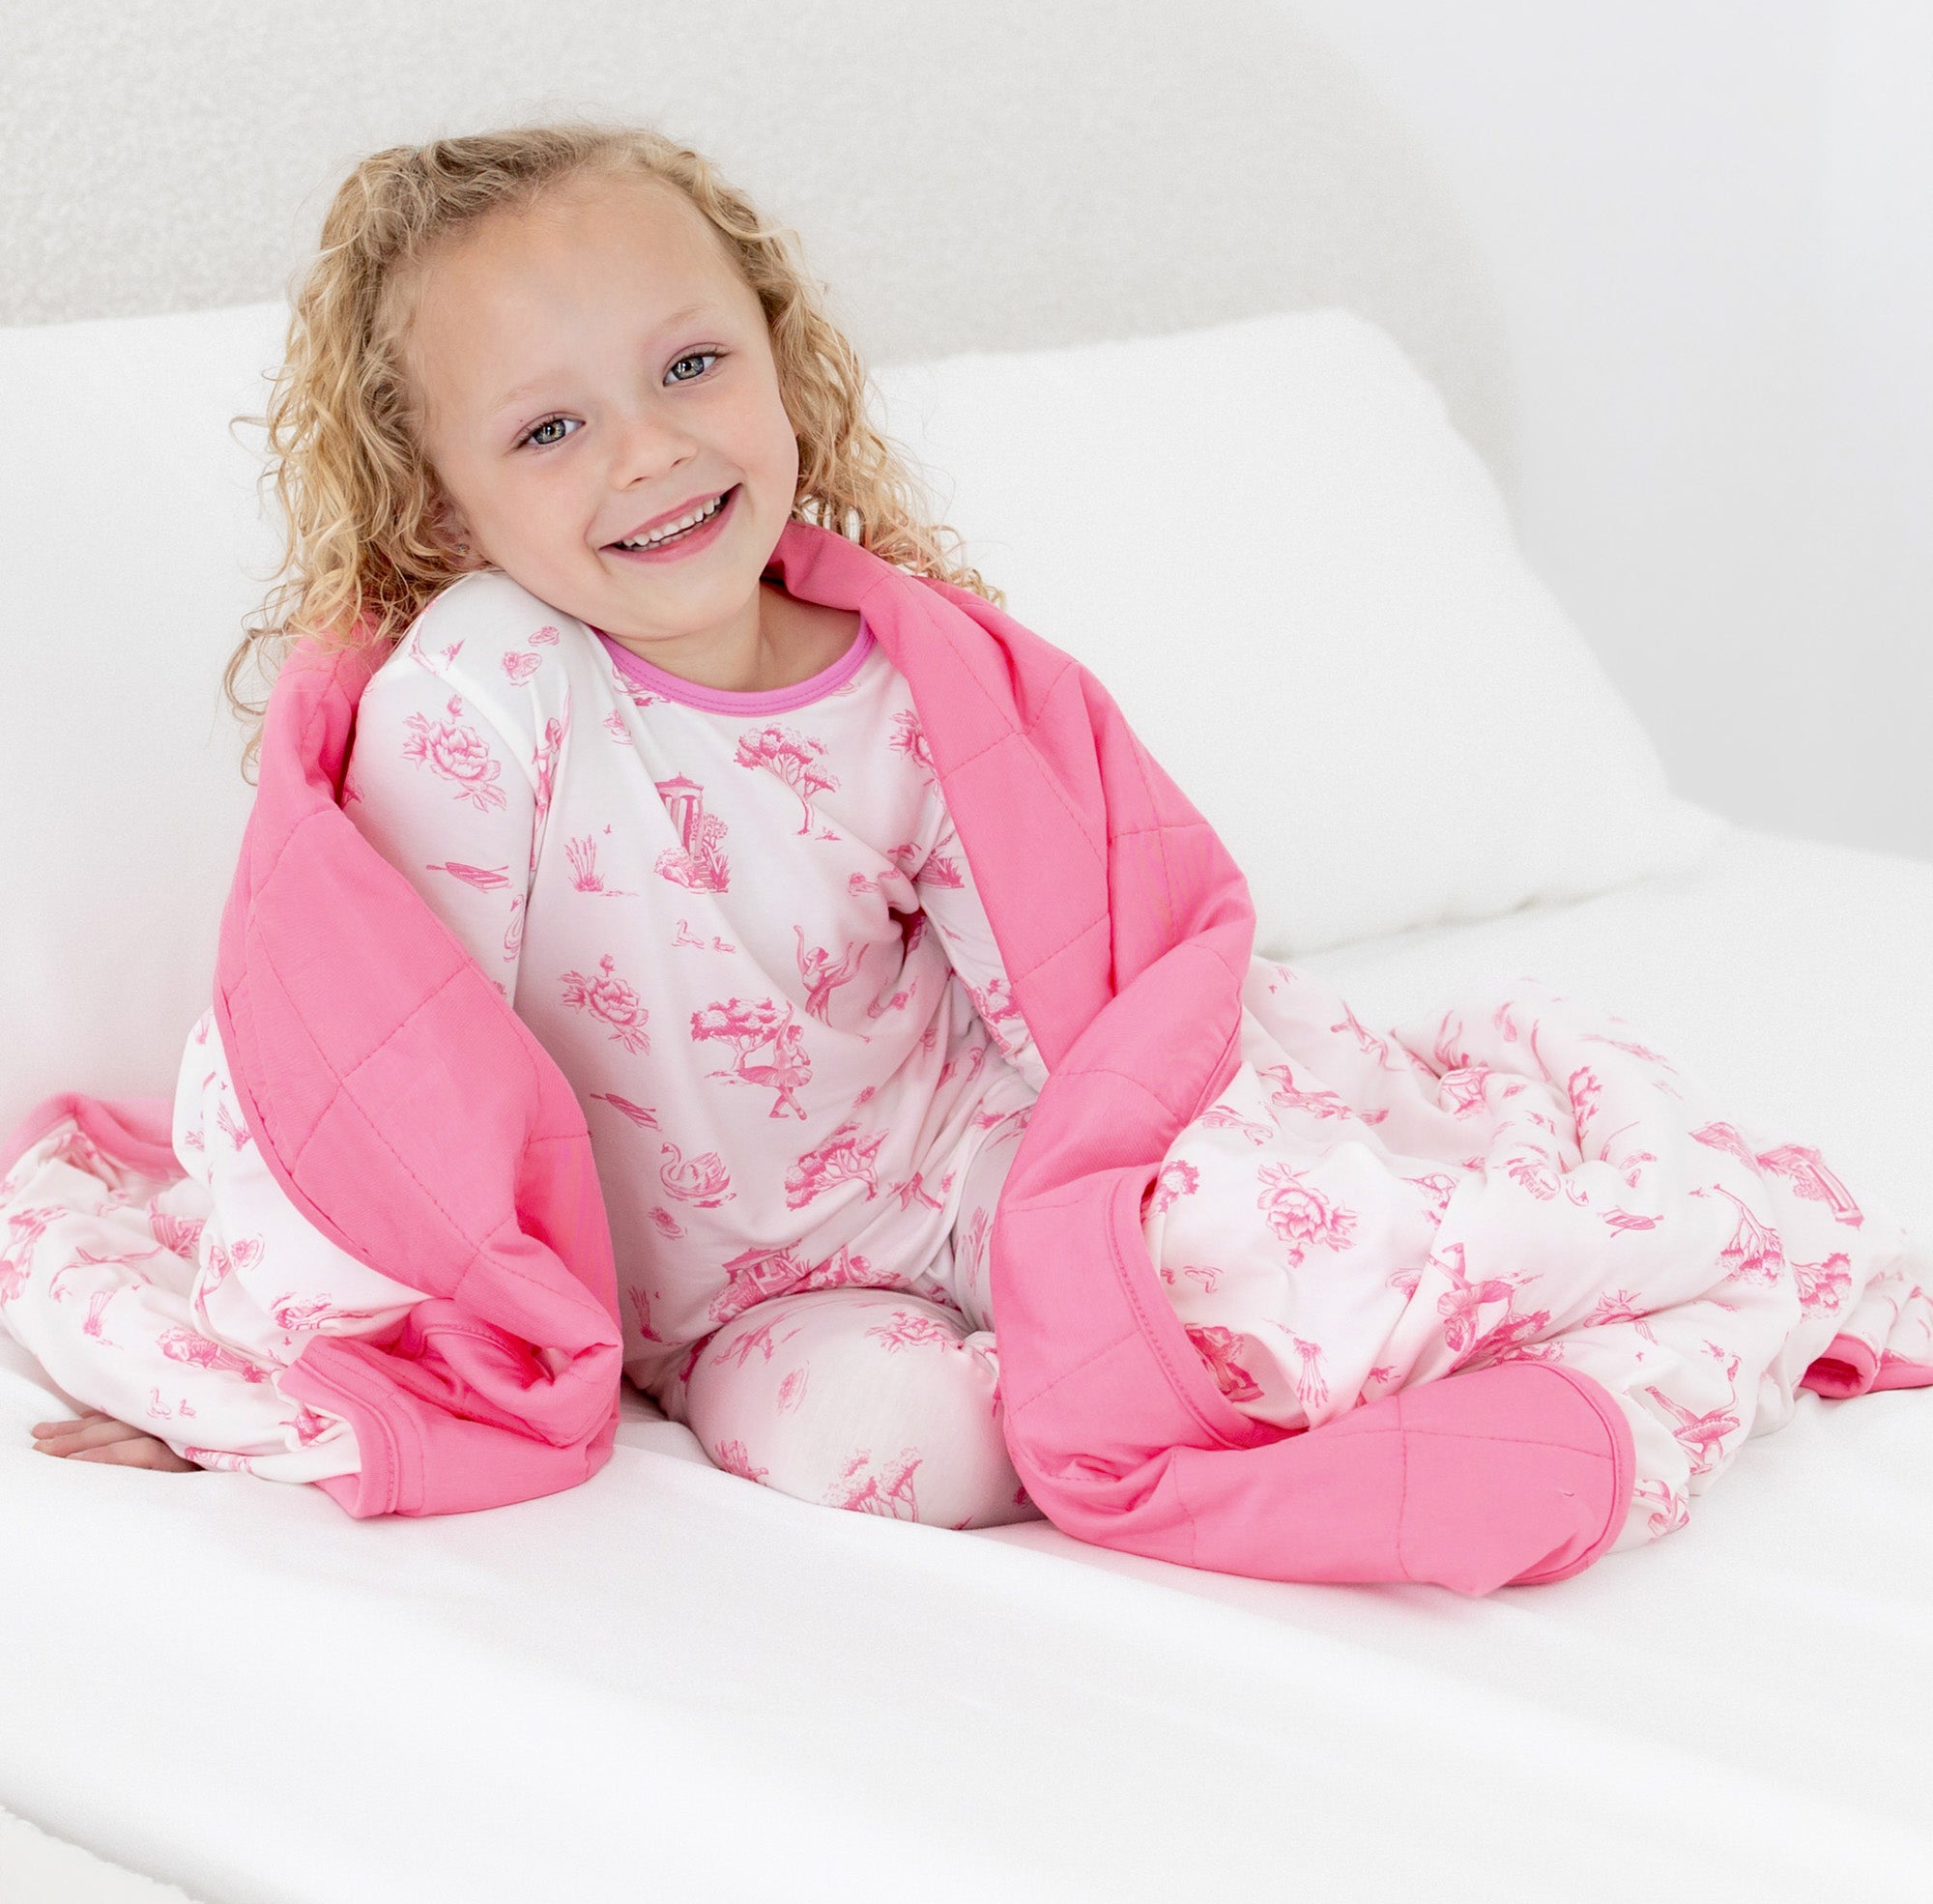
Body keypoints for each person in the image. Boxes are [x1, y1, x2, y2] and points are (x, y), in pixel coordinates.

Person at [8, 126, 1929, 1558]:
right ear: (438, 511)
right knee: (902, 1461)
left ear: (776, 355)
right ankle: (1112, 1378)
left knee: (1281, 1251)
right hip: (749, 1296)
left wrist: (1129, 1208)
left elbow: (1072, 993)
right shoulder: (486, 691)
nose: (653, 456)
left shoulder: (907, 677)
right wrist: (291, 1364)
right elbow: (370, 1075)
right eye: (549, 431)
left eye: (689, 369)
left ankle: (1637, 1279)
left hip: (970, 1165)